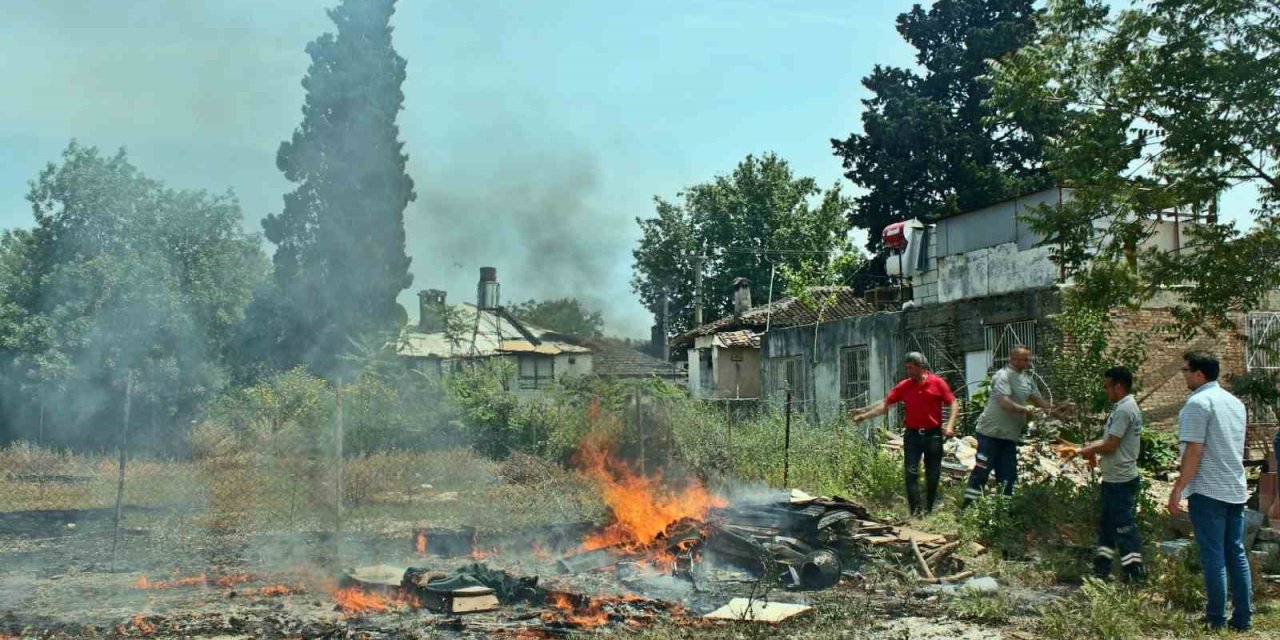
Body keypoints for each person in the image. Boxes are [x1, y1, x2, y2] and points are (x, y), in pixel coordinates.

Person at [1167, 351, 1251, 632]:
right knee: (1235, 553)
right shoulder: (1235, 402)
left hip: (1207, 489)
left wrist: (1178, 488)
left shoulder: (1198, 403)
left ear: (1199, 374)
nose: (1184, 375)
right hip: (1234, 487)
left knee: (1213, 555)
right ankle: (1242, 619)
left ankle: (1216, 618)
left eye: (1185, 371)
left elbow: (1194, 451)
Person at [851, 352, 958, 515]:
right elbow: (886, 405)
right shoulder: (904, 386)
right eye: (907, 367)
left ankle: (929, 509)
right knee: (910, 473)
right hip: (912, 435)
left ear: (921, 367)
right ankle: (916, 512)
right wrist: (864, 416)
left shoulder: (937, 383)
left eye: (911, 367)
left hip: (933, 435)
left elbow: (953, 403)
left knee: (933, 474)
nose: (908, 371)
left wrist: (950, 425)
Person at [962, 345, 1062, 508]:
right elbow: (1004, 402)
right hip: (990, 434)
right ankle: (967, 507)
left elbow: (1038, 400)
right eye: (1024, 360)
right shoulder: (1003, 376)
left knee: (1008, 476)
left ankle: (1004, 512)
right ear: (1013, 359)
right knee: (981, 472)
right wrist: (1025, 409)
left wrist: (1056, 411)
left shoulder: (1027, 380)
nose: (1028, 363)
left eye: (1028, 359)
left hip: (1009, 437)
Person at [1075, 366, 1145, 582]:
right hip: (1113, 479)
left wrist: (1089, 450)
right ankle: (1101, 570)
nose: (1106, 391)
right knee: (1106, 528)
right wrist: (1086, 448)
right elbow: (1107, 441)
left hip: (1120, 482)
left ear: (1119, 386)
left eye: (1107, 386)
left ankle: (1135, 575)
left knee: (1124, 529)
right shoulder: (1121, 407)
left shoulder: (1125, 409)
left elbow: (1111, 445)